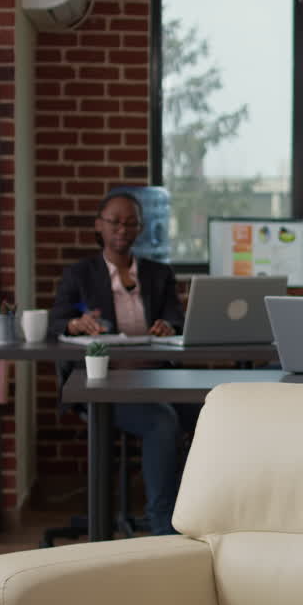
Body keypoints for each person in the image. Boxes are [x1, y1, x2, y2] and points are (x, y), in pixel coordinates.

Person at [48, 191, 186, 536]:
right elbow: (56, 321)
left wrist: (168, 326)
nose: (122, 229)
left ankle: (202, 515)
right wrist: (75, 324)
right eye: (115, 222)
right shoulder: (81, 274)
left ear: (140, 228)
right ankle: (164, 527)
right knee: (163, 422)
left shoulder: (158, 274)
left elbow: (176, 318)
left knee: (216, 410)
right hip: (103, 385)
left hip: (157, 378)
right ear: (99, 226)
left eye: (131, 223)